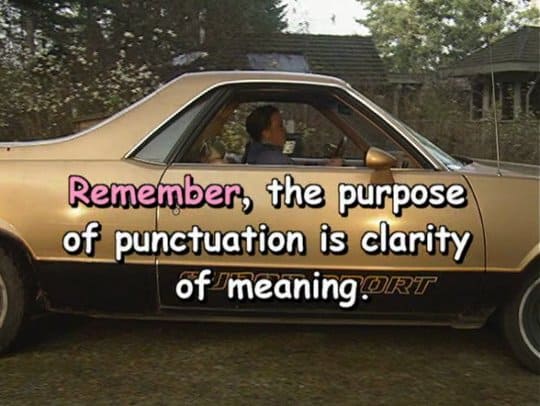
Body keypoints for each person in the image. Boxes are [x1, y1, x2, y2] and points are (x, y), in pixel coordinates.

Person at [244, 105, 343, 166]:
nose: (284, 131)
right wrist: (330, 169)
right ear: (266, 133)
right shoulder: (272, 159)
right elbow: (302, 185)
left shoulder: (258, 154)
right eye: (280, 126)